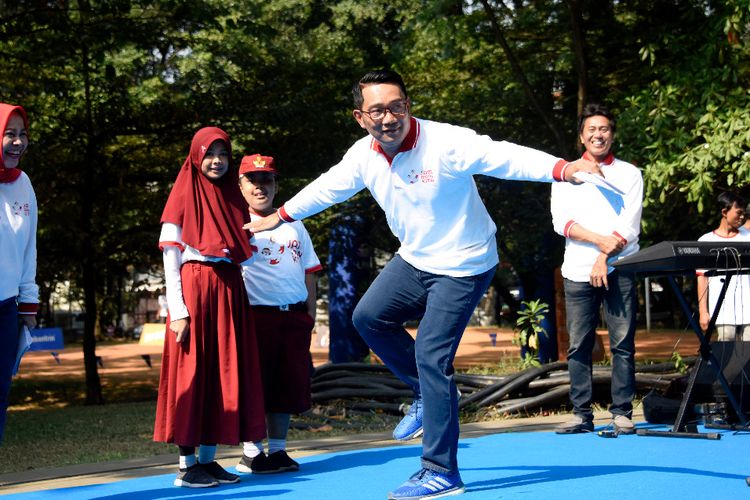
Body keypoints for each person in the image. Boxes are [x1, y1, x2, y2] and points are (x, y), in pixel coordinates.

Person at [247, 69, 604, 499]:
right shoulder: (363, 155)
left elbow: (503, 156)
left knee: (432, 356)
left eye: (397, 106)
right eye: (377, 110)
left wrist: (562, 169)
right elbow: (328, 188)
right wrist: (278, 217)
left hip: (465, 263)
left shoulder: (445, 141)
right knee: (368, 318)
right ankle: (424, 394)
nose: (389, 117)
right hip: (415, 258)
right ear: (360, 117)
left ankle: (441, 471)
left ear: (408, 107)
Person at [153, 127, 266, 488]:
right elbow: (172, 257)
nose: (217, 161)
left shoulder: (232, 198)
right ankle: (187, 465)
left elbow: (241, 251)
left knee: (222, 373)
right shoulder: (182, 195)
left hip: (229, 290)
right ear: (196, 155)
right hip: (196, 290)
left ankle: (208, 459)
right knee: (194, 373)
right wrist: (179, 310)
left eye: (224, 154)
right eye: (210, 153)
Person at [550, 103, 643, 436]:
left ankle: (621, 412)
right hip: (576, 270)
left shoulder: (630, 173)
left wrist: (605, 256)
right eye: (591, 129)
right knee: (579, 344)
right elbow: (562, 223)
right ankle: (581, 414)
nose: (598, 134)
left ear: (612, 134)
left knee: (622, 342)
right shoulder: (566, 175)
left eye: (603, 129)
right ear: (581, 136)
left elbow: (630, 225)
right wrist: (598, 244)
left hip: (621, 267)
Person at [234, 154, 322, 474]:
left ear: (276, 185)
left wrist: (310, 313)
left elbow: (309, 270)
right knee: (256, 385)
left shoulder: (293, 222)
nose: (261, 187)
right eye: (253, 181)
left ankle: (280, 450)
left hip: (293, 317)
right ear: (240, 186)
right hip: (256, 317)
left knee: (288, 384)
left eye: (267, 180)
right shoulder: (237, 224)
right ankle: (251, 451)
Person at [0, 103, 38, 443]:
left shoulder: (23, 183)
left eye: (22, 134)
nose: (17, 142)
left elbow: (29, 248)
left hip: (6, 309)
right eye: (9, 134)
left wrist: (28, 304)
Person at [697, 191, 749, 341]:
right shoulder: (706, 241)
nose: (742, 217)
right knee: (727, 340)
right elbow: (702, 278)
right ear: (724, 212)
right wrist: (703, 311)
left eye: (743, 214)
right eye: (738, 213)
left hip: (748, 307)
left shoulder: (748, 237)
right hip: (722, 309)